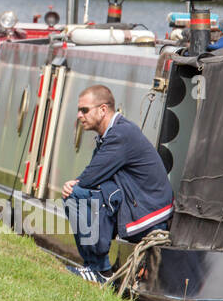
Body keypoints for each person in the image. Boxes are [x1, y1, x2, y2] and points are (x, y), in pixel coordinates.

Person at [61, 84, 174, 284]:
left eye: (84, 110)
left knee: (76, 196)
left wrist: (74, 184)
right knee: (87, 191)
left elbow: (90, 178)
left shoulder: (120, 134)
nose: (79, 115)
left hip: (150, 216)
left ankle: (98, 270)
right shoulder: (112, 134)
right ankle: (94, 267)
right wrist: (77, 183)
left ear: (103, 110)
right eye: (79, 110)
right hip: (144, 209)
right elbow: (94, 174)